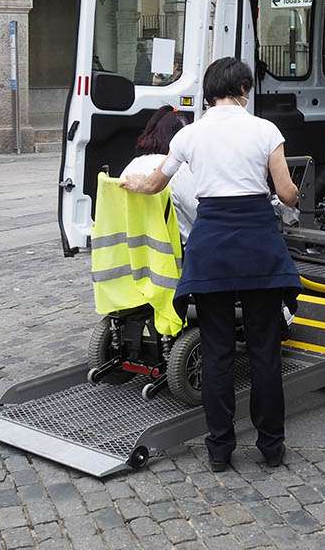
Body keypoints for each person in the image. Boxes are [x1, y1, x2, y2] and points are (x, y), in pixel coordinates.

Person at [120, 57, 300, 471]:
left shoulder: (190, 136)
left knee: (218, 352)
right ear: (242, 89)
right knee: (264, 352)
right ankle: (271, 449)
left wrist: (128, 183)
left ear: (209, 91)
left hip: (212, 246)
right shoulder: (265, 130)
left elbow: (153, 184)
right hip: (257, 244)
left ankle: (220, 451)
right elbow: (287, 193)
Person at [120, 106, 197, 239]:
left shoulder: (132, 165)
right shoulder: (177, 170)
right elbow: (199, 216)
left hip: (137, 251)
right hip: (176, 253)